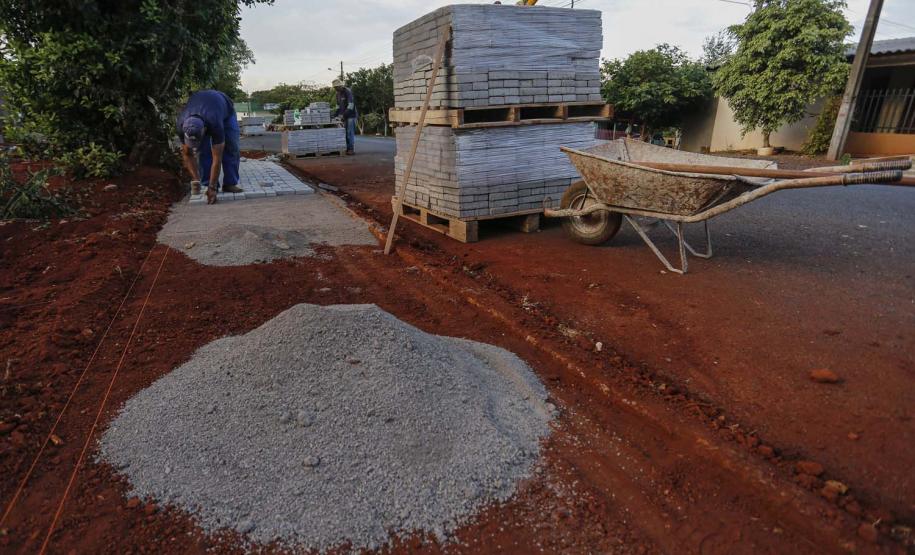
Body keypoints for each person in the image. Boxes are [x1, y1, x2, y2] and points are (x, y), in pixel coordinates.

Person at [177, 89, 242, 204]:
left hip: (225, 109)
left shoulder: (215, 122)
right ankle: (206, 183)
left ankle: (229, 183)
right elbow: (187, 154)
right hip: (204, 110)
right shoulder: (181, 125)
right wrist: (195, 179)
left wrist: (212, 189)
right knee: (203, 150)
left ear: (204, 130)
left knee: (232, 146)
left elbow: (217, 158)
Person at [332, 79, 357, 155]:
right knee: (344, 133)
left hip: (351, 116)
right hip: (343, 116)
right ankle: (346, 148)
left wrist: (343, 115)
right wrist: (335, 115)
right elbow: (338, 106)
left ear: (340, 86)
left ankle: (351, 149)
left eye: (336, 87)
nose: (335, 89)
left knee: (349, 133)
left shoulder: (347, 91)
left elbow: (351, 105)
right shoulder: (337, 94)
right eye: (334, 88)